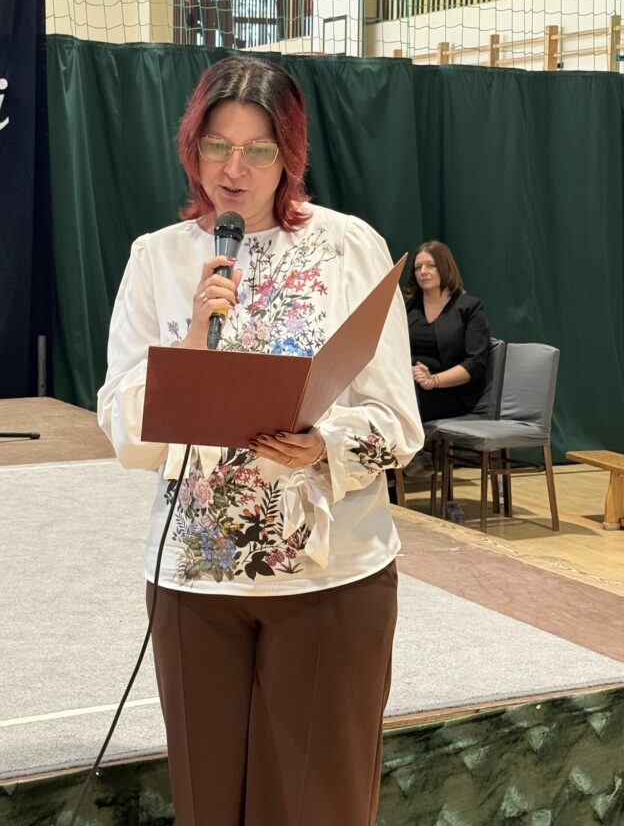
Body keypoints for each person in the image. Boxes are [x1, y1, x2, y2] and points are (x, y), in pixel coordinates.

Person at [97, 56, 423, 826]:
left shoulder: (348, 246)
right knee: (207, 804)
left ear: (290, 155)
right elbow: (124, 430)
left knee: (319, 805)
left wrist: (325, 444)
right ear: (193, 148)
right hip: (195, 579)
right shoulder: (158, 257)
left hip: (330, 580)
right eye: (217, 145)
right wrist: (195, 339)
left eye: (258, 149)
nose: (234, 169)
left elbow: (398, 426)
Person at [404, 240, 490, 423]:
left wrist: (433, 380)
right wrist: (406, 370)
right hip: (408, 383)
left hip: (449, 392)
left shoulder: (470, 307)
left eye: (431, 265)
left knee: (401, 400)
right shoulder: (408, 308)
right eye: (418, 267)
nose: (423, 272)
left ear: (445, 268)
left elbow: (475, 363)